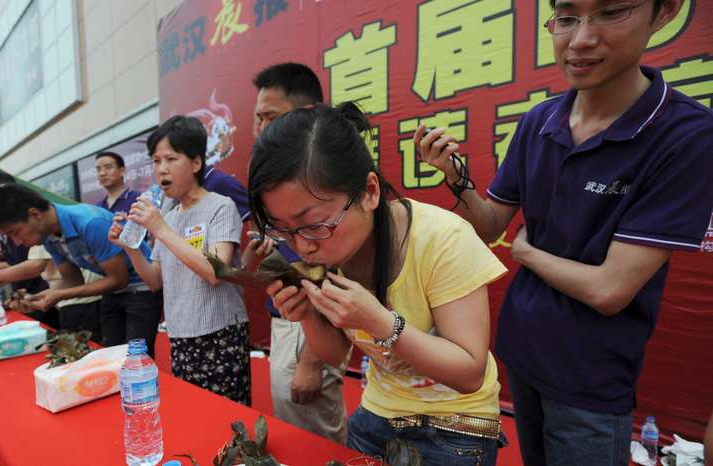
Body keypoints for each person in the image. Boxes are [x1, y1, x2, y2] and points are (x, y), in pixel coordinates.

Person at [418, 0, 713, 464]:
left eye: (611, 13)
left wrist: (528, 253)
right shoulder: (539, 121)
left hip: (590, 377)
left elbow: (610, 290)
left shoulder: (686, 135)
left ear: (664, 13)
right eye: (567, 17)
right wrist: (455, 178)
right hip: (520, 352)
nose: (580, 39)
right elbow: (492, 223)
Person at [251, 103, 507, 463]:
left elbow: (468, 372)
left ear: (370, 192)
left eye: (313, 224)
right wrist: (308, 315)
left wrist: (380, 322)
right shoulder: (325, 252)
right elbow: (336, 353)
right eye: (283, 229)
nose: (303, 245)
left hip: (454, 426)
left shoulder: (442, 239)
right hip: (376, 413)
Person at [240, 62, 350, 442]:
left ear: (305, 115)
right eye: (258, 118)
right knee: (294, 428)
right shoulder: (280, 175)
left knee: (316, 435)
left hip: (316, 326)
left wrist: (311, 359)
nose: (261, 129)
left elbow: (338, 273)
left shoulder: (327, 175)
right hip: (290, 319)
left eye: (270, 117)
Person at [109, 116, 251, 405]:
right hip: (180, 334)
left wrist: (160, 229)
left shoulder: (220, 206)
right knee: (195, 414)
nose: (161, 169)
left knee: (226, 418)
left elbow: (215, 271)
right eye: (156, 160)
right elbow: (154, 280)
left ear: (196, 163)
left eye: (171, 159)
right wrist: (131, 248)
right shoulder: (169, 217)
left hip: (220, 332)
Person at [0, 184, 162, 357]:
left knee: (137, 358)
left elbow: (118, 279)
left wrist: (58, 295)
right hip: (113, 292)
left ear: (35, 214)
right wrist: (39, 297)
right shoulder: (49, 236)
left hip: (142, 286)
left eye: (15, 232)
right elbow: (73, 279)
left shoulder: (89, 223)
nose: (17, 242)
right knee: (111, 356)